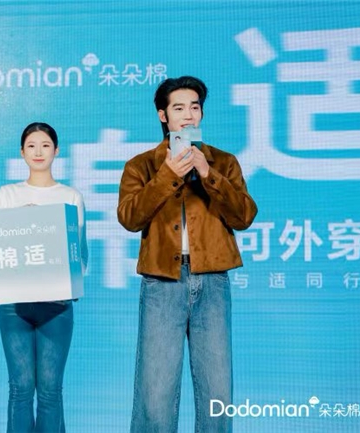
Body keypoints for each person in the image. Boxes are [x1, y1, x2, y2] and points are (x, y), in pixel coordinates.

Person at [117, 76, 257, 433]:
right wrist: (167, 175)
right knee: (155, 389)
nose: (188, 115)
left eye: (195, 107)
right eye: (178, 108)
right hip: (162, 283)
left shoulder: (223, 162)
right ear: (163, 115)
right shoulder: (141, 165)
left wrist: (208, 174)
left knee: (217, 388)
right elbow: (129, 218)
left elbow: (244, 216)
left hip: (212, 281)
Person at [0, 122, 88, 433]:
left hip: (57, 306)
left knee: (50, 391)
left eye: (45, 145)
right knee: (20, 390)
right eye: (31, 146)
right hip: (15, 307)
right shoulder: (8, 194)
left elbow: (80, 256)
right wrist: (22, 220)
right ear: (22, 152)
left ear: (56, 151)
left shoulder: (70, 196)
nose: (38, 152)